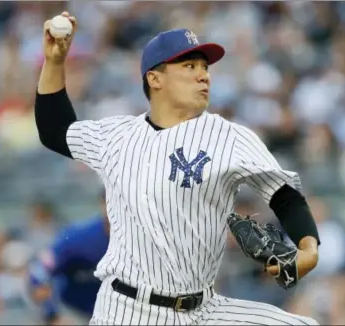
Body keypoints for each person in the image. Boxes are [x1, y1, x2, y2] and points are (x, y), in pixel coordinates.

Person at [35, 11, 321, 325]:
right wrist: (55, 61)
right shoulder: (115, 137)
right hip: (128, 310)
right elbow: (55, 131)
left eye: (204, 66)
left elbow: (284, 196)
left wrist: (308, 247)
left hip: (205, 309)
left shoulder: (230, 136)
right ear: (155, 78)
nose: (203, 75)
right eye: (189, 66)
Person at [28, 191, 109, 325]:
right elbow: (38, 273)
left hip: (123, 313)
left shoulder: (143, 238)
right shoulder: (78, 238)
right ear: (102, 204)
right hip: (75, 312)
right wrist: (52, 315)